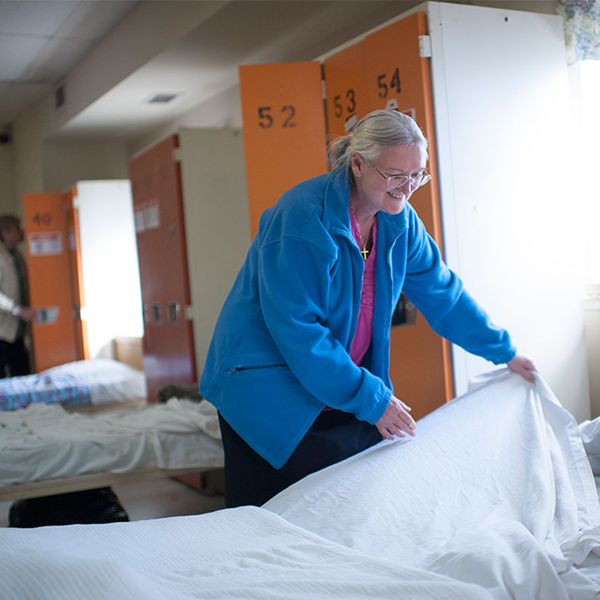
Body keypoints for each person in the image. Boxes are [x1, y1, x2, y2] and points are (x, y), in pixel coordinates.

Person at [200, 109, 536, 507]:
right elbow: (299, 330)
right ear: (358, 164)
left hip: (336, 383)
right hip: (268, 389)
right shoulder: (303, 220)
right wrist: (373, 398)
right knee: (277, 518)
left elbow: (444, 294)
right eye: (396, 175)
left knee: (351, 508)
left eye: (418, 175)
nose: (408, 187)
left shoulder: (401, 224)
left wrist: (505, 351)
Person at [0, 215, 35, 377]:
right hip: (3, 330)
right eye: (17, 228)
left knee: (22, 373)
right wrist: (15, 309)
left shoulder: (16, 254)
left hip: (17, 330)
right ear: (5, 233)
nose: (22, 231)